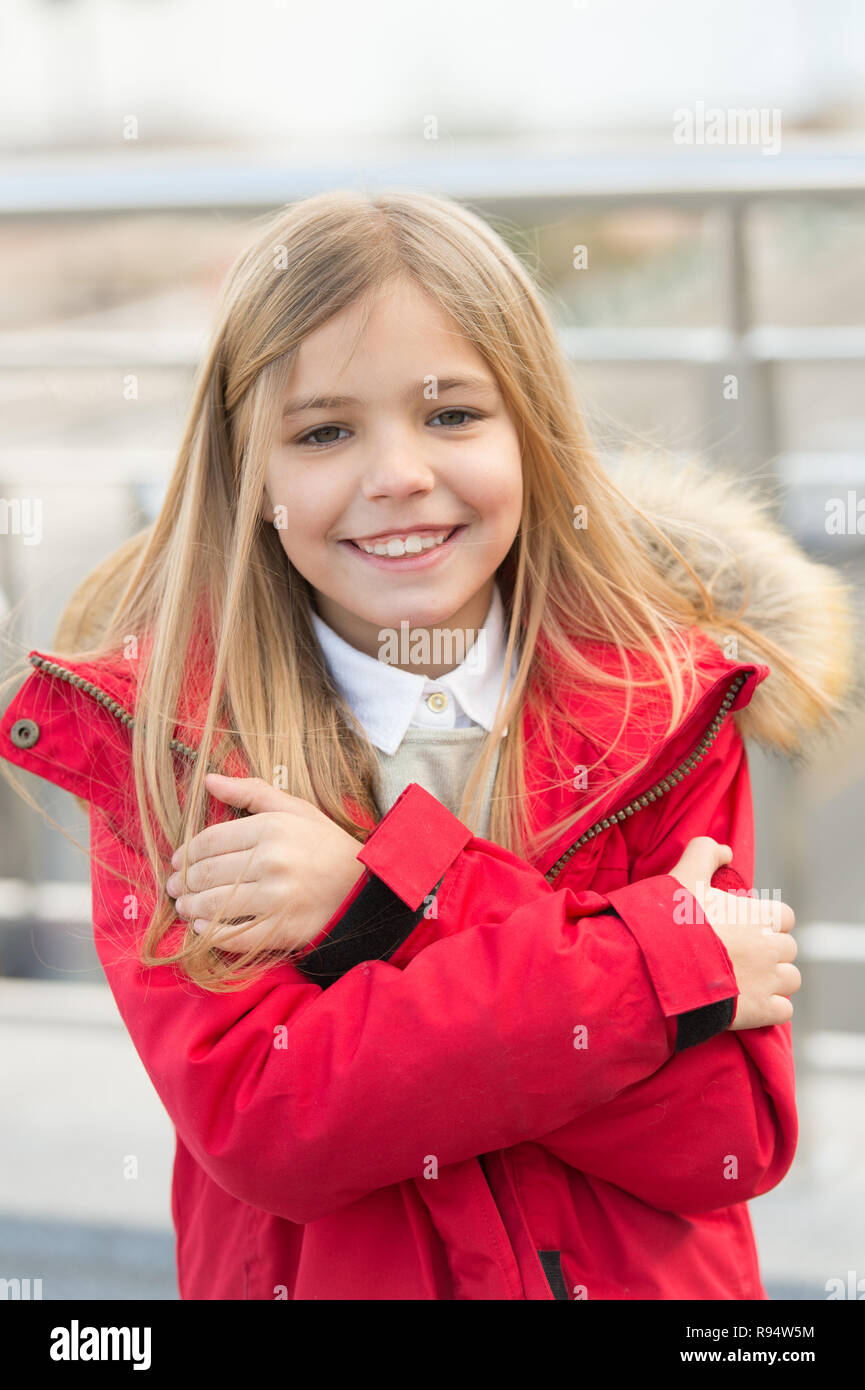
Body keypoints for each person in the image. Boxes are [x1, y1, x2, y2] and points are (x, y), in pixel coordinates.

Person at [0, 190, 855, 1301]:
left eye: (451, 414)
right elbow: (276, 1122)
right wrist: (641, 968)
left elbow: (723, 1132)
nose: (397, 472)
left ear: (533, 431)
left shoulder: (664, 708)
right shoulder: (174, 747)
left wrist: (379, 904)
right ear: (248, 475)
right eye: (323, 431)